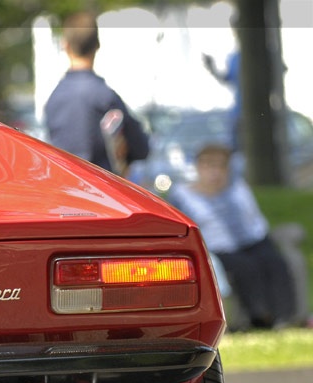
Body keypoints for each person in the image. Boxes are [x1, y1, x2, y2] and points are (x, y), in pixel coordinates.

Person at [168, 141, 296, 329]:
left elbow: (254, 219)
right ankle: (261, 318)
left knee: (275, 263)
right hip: (218, 247)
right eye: (209, 166)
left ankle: (286, 318)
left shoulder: (237, 188)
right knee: (246, 268)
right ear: (198, 167)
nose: (215, 172)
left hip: (253, 240)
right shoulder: (183, 194)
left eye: (220, 166)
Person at [43, 12, 149, 175]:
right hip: (101, 190)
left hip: (65, 187)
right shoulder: (106, 96)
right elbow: (141, 149)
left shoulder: (53, 99)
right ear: (97, 45)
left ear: (65, 45)